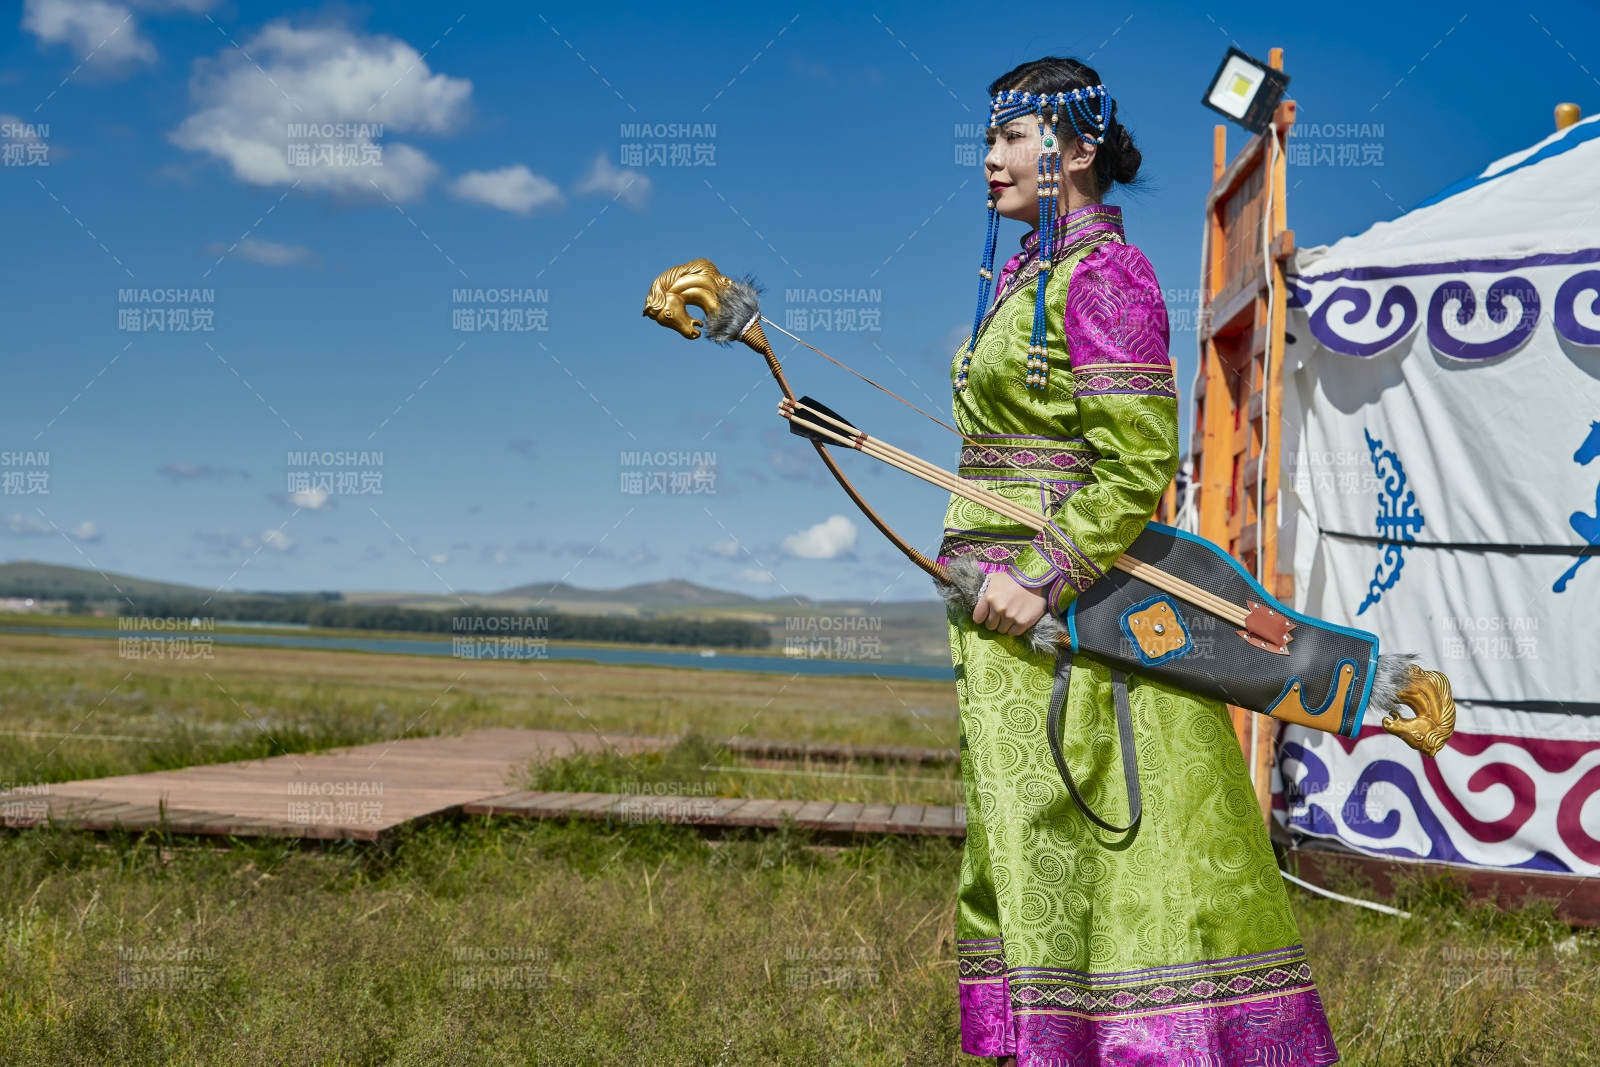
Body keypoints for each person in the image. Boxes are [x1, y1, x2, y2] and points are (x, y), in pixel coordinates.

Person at [942, 56, 1341, 1065]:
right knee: (1025, 830)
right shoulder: (1027, 274)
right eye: (988, 138)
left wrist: (1037, 573)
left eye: (1011, 138)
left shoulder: (1105, 276)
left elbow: (1135, 462)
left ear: (1074, 150)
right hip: (998, 615)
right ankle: (1052, 1040)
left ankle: (1134, 1043)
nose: (989, 157)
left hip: (1056, 609)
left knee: (1082, 827)